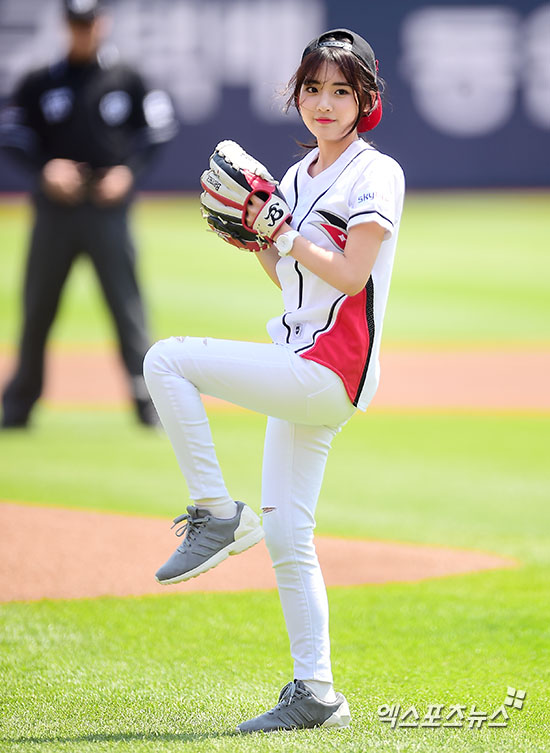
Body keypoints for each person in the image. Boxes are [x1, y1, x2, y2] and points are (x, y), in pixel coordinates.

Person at [143, 28, 405, 732]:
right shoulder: (294, 178)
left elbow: (350, 274)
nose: (324, 103)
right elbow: (289, 279)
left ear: (367, 100)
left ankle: (216, 513)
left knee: (166, 359)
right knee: (289, 539)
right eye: (312, 88)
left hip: (327, 369)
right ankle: (317, 693)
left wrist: (283, 233)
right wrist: (255, 237)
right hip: (301, 360)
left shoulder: (375, 173)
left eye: (341, 90)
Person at [0, 0, 177, 428]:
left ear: (103, 21)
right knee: (38, 306)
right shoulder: (41, 79)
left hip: (106, 208)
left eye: (91, 22)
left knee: (126, 306)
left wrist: (127, 172)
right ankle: (19, 404)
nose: (85, 30)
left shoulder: (126, 77)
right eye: (77, 23)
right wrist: (45, 169)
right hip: (56, 210)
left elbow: (158, 129)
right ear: (66, 25)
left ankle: (147, 402)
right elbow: (12, 132)